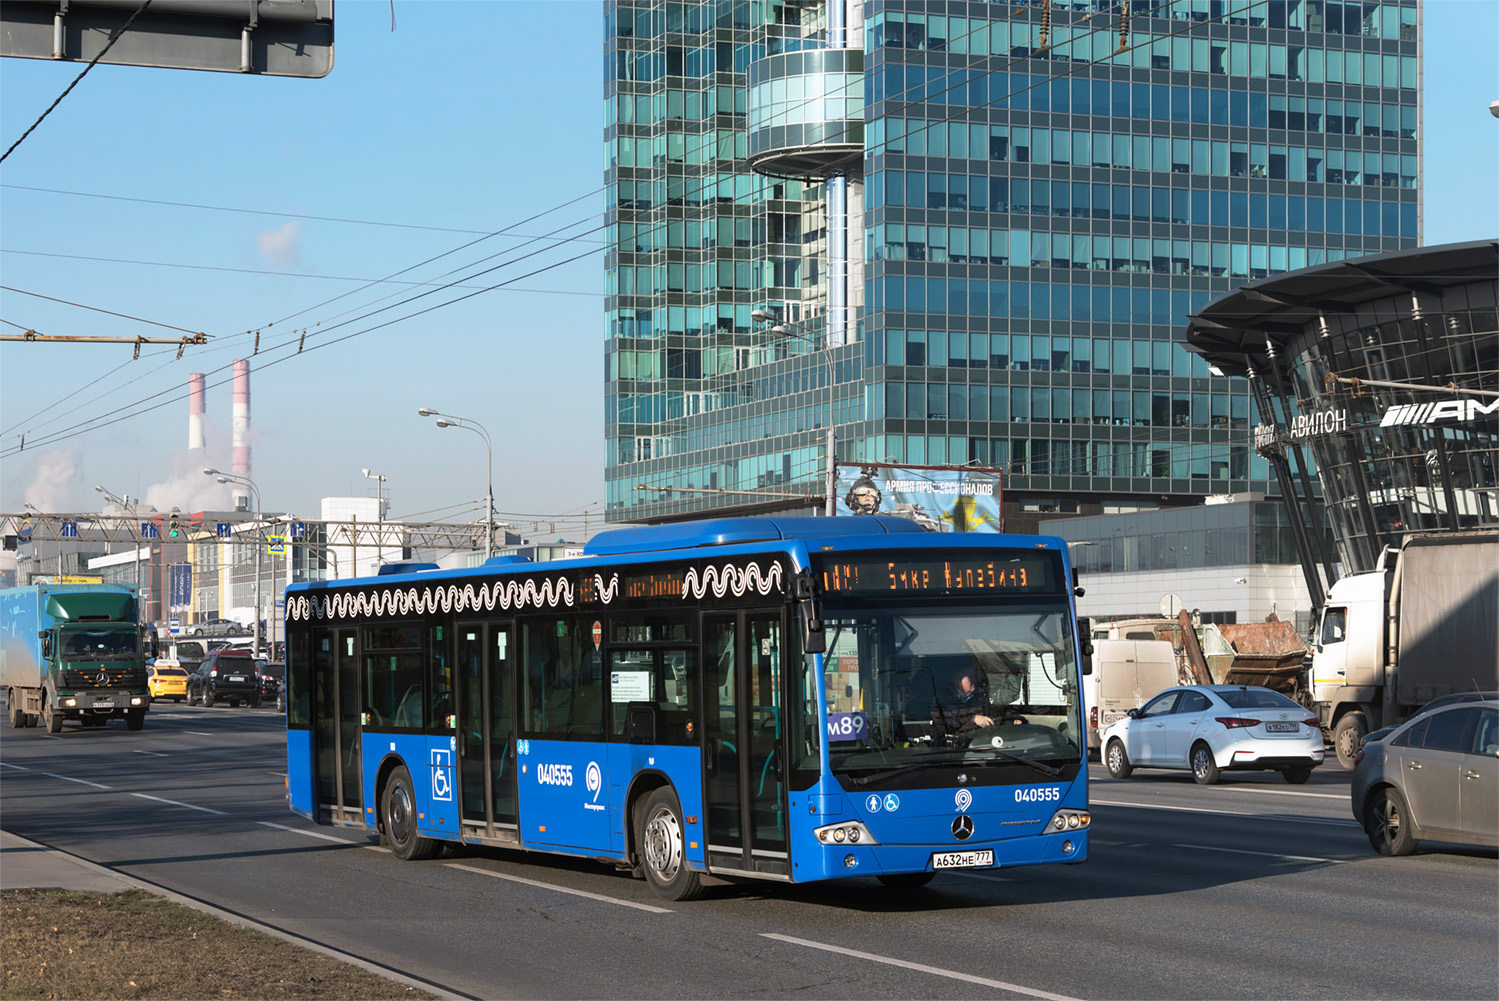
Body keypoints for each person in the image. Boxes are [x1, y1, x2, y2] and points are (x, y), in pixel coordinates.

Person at [932, 667, 998, 735]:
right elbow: (948, 725)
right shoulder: (942, 700)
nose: (974, 680)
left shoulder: (979, 698)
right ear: (957, 681)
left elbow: (990, 714)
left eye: (974, 676)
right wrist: (972, 719)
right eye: (970, 677)